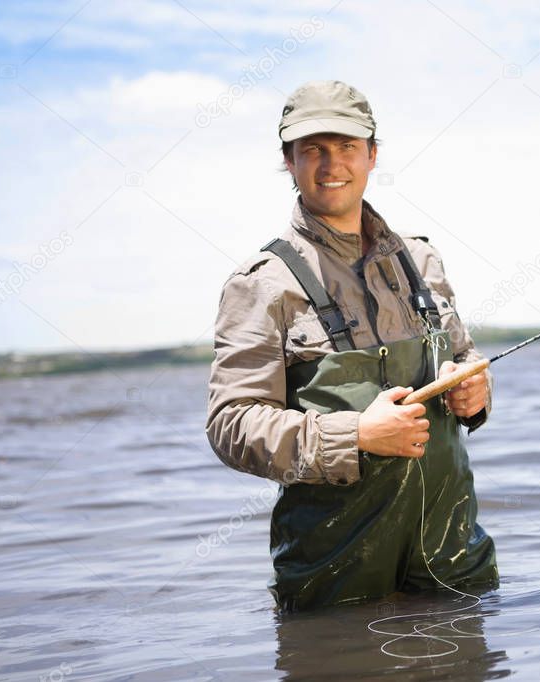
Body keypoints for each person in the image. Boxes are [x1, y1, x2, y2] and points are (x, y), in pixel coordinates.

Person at [205, 80, 499, 612]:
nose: (330, 164)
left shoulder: (422, 260)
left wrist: (476, 386)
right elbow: (232, 426)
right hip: (336, 578)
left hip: (453, 560)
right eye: (312, 150)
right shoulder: (261, 283)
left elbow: (463, 357)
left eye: (345, 147)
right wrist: (356, 434)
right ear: (288, 162)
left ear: (372, 154)